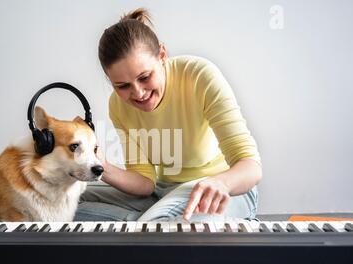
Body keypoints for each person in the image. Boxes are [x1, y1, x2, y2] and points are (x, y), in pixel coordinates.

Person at [75, 8, 262, 222]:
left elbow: (251, 167)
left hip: (224, 190)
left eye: (145, 77)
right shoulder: (118, 105)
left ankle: (149, 225)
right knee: (65, 200)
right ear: (110, 80)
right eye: (123, 85)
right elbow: (144, 183)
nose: (138, 93)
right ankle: (148, 225)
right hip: (164, 193)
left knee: (165, 228)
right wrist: (101, 166)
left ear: (162, 55)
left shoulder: (200, 75)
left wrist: (222, 182)